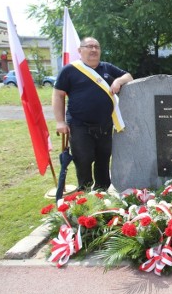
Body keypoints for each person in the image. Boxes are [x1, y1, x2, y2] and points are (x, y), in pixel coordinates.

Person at [53, 37, 133, 192]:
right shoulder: (69, 70)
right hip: (79, 125)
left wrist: (118, 81)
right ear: (80, 50)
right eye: (89, 46)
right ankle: (85, 192)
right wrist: (60, 122)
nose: (94, 50)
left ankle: (103, 191)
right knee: (83, 160)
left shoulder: (107, 68)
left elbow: (128, 76)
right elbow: (58, 95)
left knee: (103, 160)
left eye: (97, 47)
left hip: (105, 125)